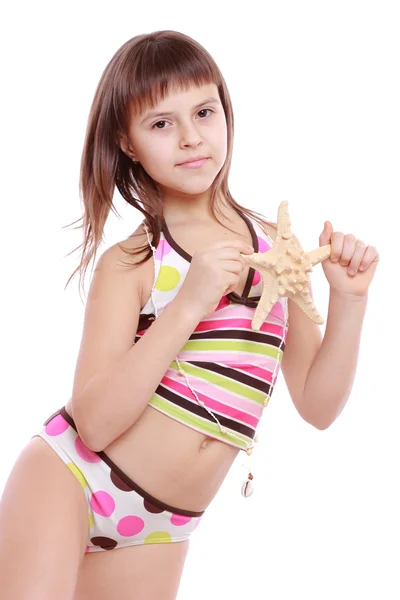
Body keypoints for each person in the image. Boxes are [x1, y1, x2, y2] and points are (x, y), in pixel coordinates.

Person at [0, 30, 379, 600]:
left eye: (204, 111)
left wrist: (349, 303)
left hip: (164, 525)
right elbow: (96, 423)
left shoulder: (279, 250)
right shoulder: (133, 261)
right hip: (73, 477)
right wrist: (190, 303)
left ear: (226, 111)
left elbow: (317, 405)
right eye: (160, 123)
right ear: (128, 144)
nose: (190, 138)